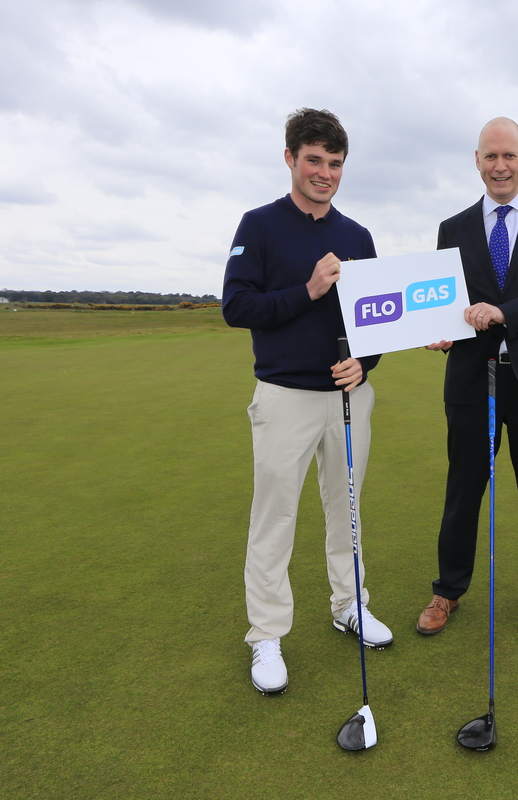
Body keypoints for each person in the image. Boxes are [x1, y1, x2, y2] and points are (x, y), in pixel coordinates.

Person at [222, 108, 392, 696]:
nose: (325, 173)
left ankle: (349, 604)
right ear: (291, 158)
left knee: (346, 509)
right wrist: (309, 291)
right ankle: (266, 635)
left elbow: (378, 321)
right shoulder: (259, 226)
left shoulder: (357, 237)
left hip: (348, 398)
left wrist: (365, 363)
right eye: (314, 160)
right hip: (284, 396)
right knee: (275, 517)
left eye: (335, 164)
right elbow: (237, 307)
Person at [416, 117, 518, 640]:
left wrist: (504, 312)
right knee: (463, 493)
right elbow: (445, 304)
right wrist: (439, 331)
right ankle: (447, 591)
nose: (500, 166)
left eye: (509, 156)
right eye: (490, 157)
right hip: (472, 379)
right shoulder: (454, 228)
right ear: (476, 161)